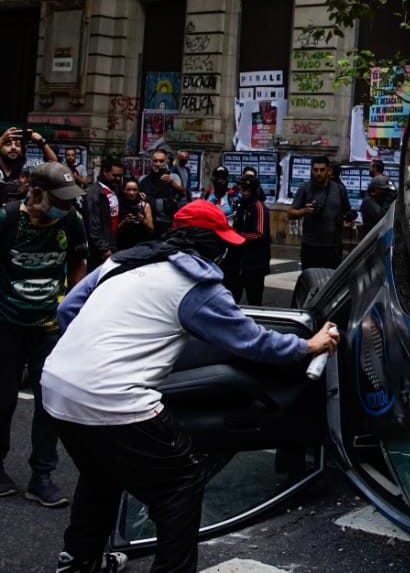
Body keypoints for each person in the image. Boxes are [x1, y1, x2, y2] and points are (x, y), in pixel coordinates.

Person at [41, 199, 340, 573]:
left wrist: (98, 351)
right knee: (179, 486)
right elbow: (250, 341)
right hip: (114, 401)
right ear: (210, 244)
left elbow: (68, 309)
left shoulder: (122, 262)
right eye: (222, 243)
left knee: (101, 476)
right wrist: (308, 346)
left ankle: (78, 562)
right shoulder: (196, 282)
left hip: (56, 388)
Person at [0, 162, 87, 507]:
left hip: (49, 329)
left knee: (48, 402)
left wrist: (73, 306)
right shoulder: (7, 219)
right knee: (3, 400)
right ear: (36, 192)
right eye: (59, 199)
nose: (65, 206)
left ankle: (42, 475)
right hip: (6, 326)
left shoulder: (71, 220)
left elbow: (79, 261)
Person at [287, 156, 353, 271]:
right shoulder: (305, 188)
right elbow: (290, 213)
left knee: (331, 282)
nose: (318, 173)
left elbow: (347, 212)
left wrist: (347, 222)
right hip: (311, 246)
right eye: (315, 170)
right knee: (310, 281)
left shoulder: (339, 189)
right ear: (311, 170)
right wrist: (303, 211)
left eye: (322, 170)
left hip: (333, 246)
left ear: (328, 171)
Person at [227, 175, 271, 306]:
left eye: (246, 190)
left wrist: (239, 236)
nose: (242, 192)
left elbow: (260, 233)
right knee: (232, 298)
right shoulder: (240, 206)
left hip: (255, 263)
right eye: (241, 189)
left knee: (254, 300)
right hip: (238, 261)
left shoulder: (259, 208)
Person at [82, 157, 124, 272]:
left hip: (112, 245)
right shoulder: (94, 195)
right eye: (114, 175)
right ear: (105, 172)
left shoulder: (113, 190)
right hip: (100, 252)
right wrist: (103, 249)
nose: (118, 179)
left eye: (120, 176)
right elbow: (93, 225)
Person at [0, 126, 57, 203]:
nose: (13, 147)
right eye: (8, 144)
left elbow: (54, 165)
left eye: (17, 145)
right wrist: (2, 139)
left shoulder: (29, 166)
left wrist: (42, 142)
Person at [140, 149, 185, 237]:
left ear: (166, 162)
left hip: (168, 221)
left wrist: (171, 182)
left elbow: (183, 193)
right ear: (151, 162)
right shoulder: (143, 179)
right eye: (155, 161)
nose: (158, 164)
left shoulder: (173, 177)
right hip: (149, 222)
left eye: (161, 161)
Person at [113, 177, 154, 252]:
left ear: (138, 191)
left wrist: (143, 220)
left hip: (141, 245)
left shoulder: (145, 206)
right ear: (123, 190)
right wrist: (124, 222)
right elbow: (113, 232)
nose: (131, 193)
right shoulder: (117, 205)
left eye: (134, 190)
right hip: (122, 245)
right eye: (128, 190)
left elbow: (151, 230)